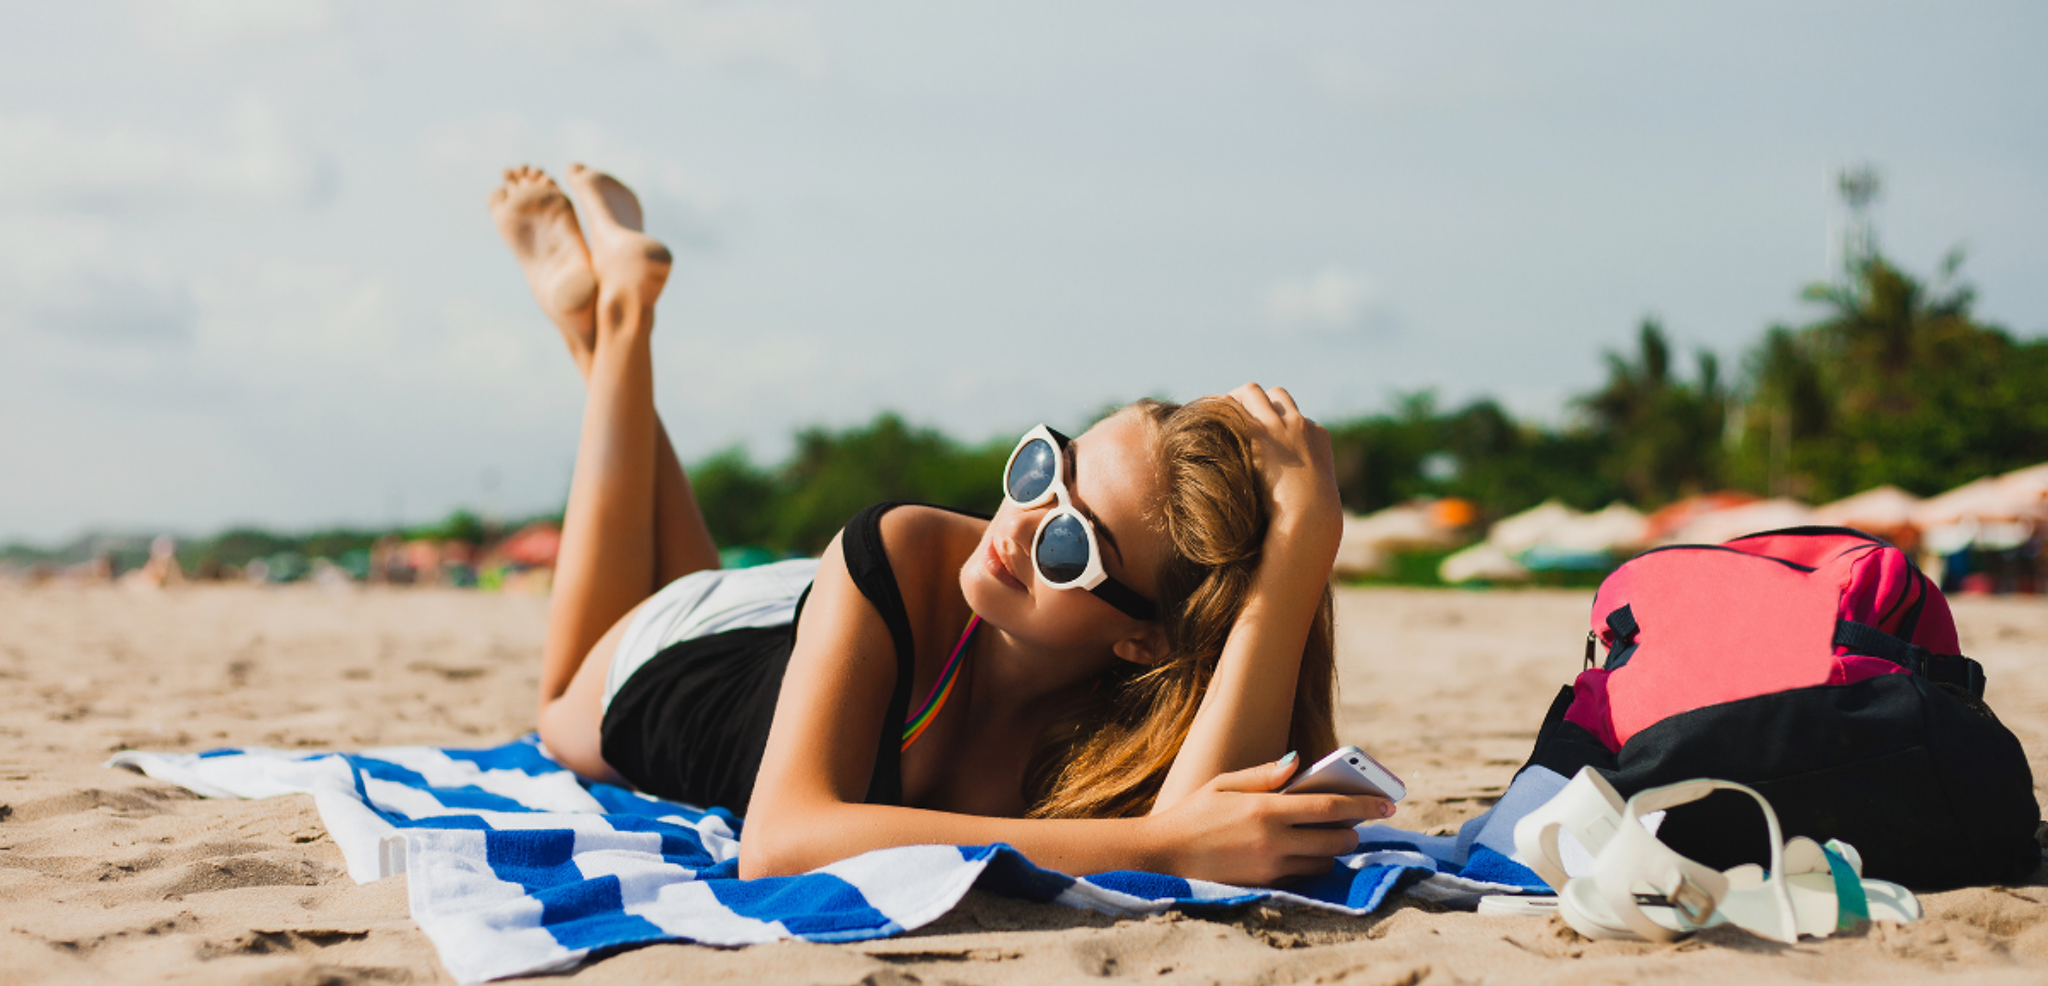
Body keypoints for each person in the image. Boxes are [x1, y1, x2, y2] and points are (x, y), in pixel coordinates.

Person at [488, 165, 1390, 888]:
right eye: (1044, 468)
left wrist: (1301, 549)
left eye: (1070, 545)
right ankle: (619, 319)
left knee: (701, 597)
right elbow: (782, 840)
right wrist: (1154, 848)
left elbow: (1206, 828)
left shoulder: (1135, 725)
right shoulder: (911, 544)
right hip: (700, 649)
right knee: (561, 707)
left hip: (794, 637)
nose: (1016, 524)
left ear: (1145, 642)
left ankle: (597, 318)